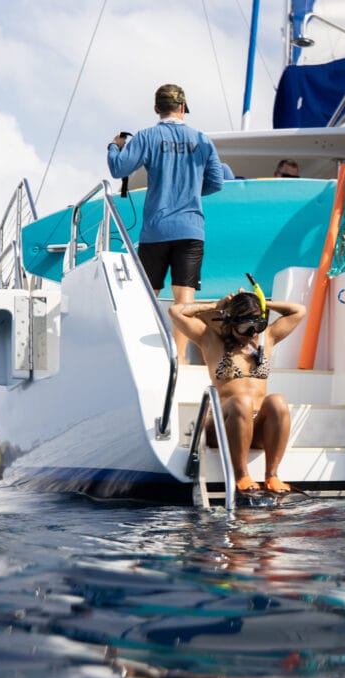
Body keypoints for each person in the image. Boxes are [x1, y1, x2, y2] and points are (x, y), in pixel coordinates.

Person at [107, 83, 224, 364]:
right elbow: (217, 182)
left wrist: (114, 146)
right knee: (185, 298)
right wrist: (192, 192)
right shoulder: (202, 140)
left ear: (157, 108)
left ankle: (145, 355)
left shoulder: (147, 136)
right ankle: (180, 357)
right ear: (182, 107)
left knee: (149, 294)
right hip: (191, 228)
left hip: (156, 230)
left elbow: (118, 168)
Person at [169, 286, 307, 493]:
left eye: (256, 326)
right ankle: (241, 475)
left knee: (277, 401)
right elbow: (175, 312)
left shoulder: (266, 338)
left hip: (256, 429)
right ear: (231, 322)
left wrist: (262, 303)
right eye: (245, 327)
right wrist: (216, 306)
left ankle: (272, 475)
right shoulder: (210, 339)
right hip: (223, 425)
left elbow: (299, 311)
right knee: (241, 401)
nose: (251, 333)